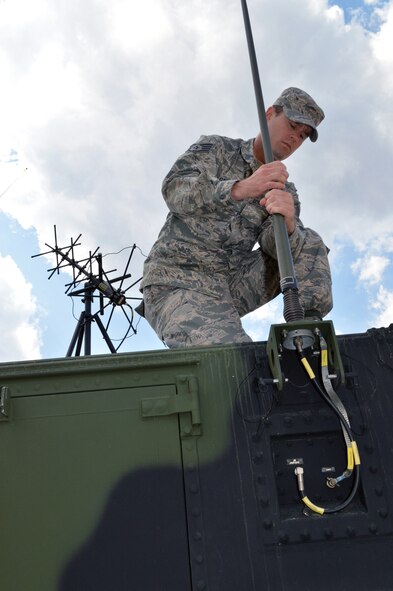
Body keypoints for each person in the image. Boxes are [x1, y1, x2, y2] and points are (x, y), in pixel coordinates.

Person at [140, 87, 332, 348]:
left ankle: (308, 330)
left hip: (228, 285)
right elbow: (175, 190)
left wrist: (286, 227)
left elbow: (272, 246)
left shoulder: (284, 189)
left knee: (307, 241)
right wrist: (239, 189)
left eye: (302, 135)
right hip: (177, 279)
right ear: (269, 115)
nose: (293, 138)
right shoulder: (217, 148)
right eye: (291, 125)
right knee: (238, 362)